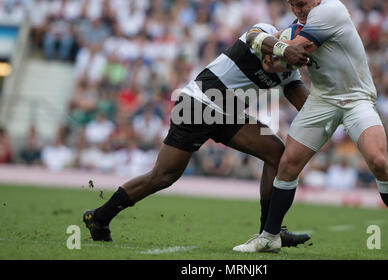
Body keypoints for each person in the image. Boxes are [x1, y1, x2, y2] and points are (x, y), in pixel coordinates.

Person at [233, 0, 388, 254]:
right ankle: (269, 236)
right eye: (293, 6)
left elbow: (288, 53)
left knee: (376, 160)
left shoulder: (330, 11)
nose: (298, 11)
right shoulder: (300, 22)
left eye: (302, 4)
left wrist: (263, 41)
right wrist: (274, 48)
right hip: (323, 99)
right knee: (288, 165)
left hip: (355, 97)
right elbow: (273, 63)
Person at [83, 22, 312, 248]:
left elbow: (309, 107)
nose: (276, 64)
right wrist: (283, 51)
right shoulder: (267, 32)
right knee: (163, 176)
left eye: (285, 64)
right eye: (278, 55)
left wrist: (337, 106)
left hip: (228, 112)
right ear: (284, 40)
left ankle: (268, 233)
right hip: (199, 103)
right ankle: (100, 217)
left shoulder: (290, 71)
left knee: (275, 152)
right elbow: (254, 37)